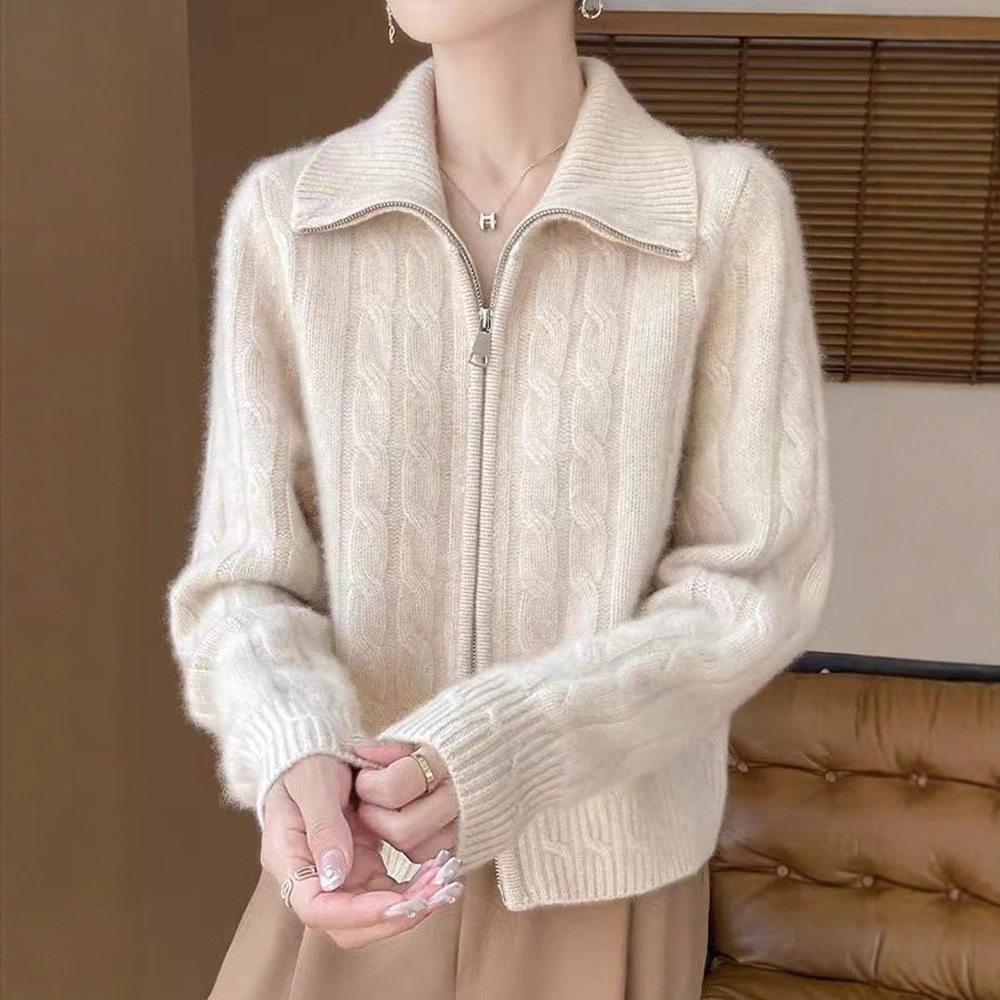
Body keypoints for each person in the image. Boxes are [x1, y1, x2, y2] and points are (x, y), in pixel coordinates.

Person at [164, 0, 835, 997]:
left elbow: (751, 584)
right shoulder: (291, 213)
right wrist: (292, 746)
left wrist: (513, 741)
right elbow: (244, 581)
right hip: (356, 870)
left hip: (599, 885)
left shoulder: (720, 211)